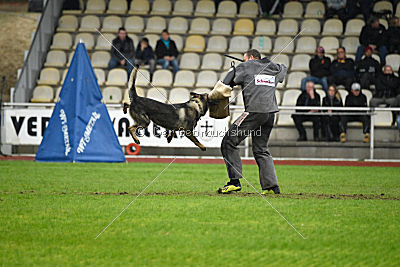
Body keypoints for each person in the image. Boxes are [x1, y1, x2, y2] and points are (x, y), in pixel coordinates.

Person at [217, 49, 287, 195]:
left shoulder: (246, 66)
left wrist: (234, 69)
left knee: (228, 142)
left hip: (254, 112)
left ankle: (234, 182)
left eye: (245, 59)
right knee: (261, 150)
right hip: (270, 114)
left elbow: (227, 81)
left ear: (251, 58)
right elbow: (283, 69)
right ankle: (272, 187)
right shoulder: (273, 67)